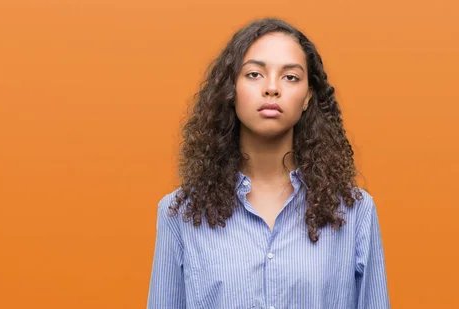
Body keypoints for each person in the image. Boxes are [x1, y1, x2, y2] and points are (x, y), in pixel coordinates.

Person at [147, 17, 390, 309]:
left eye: (290, 77)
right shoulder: (181, 215)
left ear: (307, 97)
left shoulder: (355, 212)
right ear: (231, 89)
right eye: (254, 74)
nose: (272, 88)